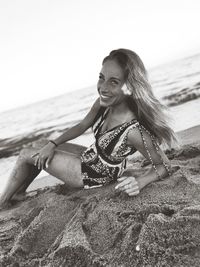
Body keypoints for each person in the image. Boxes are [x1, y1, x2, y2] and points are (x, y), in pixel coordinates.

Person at [0, 48, 177, 210]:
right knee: (41, 144)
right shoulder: (105, 103)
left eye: (113, 82)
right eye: (101, 78)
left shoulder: (134, 130)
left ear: (129, 87)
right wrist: (53, 143)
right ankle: (19, 191)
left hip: (93, 174)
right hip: (91, 157)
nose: (103, 88)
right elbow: (82, 125)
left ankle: (3, 201)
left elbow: (164, 166)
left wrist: (141, 181)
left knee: (25, 154)